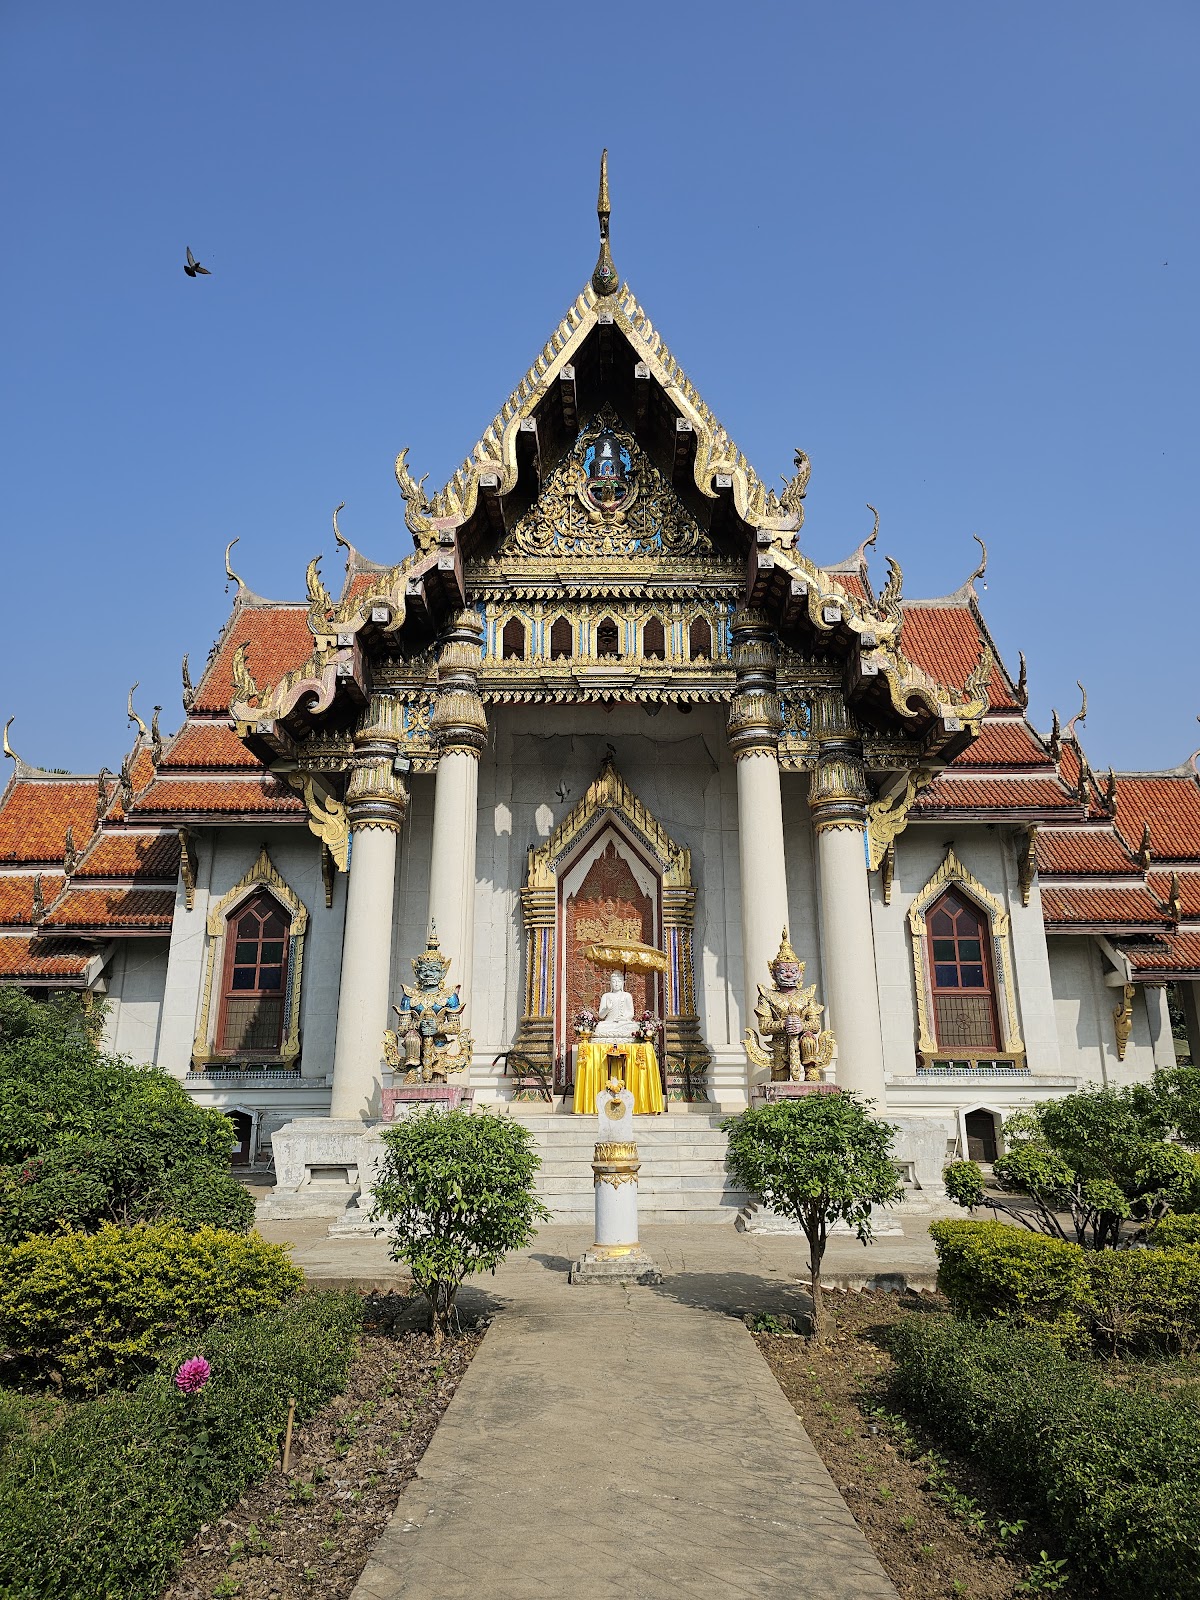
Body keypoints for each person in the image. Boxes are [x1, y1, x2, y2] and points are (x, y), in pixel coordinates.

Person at [594, 970, 636, 1040]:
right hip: (609, 1023)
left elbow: (631, 1013)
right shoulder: (606, 996)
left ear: (622, 983)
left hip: (623, 1023)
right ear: (610, 983)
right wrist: (607, 1008)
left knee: (634, 1027)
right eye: (614, 981)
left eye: (619, 981)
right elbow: (601, 1016)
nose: (616, 984)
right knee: (599, 1027)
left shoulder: (627, 995)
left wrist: (624, 1018)